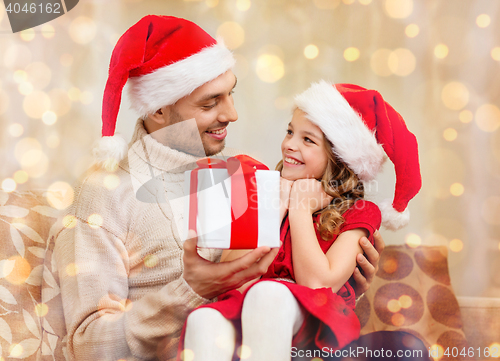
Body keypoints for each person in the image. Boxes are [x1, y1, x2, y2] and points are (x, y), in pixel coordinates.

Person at [51, 16, 383, 361]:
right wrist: (190, 290)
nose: (232, 114)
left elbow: (282, 287)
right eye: (210, 103)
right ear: (160, 108)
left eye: (231, 94)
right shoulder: (104, 194)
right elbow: (87, 348)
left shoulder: (246, 175)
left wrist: (339, 288)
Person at [180, 81, 422, 361]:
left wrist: (300, 208)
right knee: (204, 319)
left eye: (308, 140)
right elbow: (233, 278)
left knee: (269, 294)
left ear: (339, 158)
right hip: (249, 312)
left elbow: (318, 284)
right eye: (290, 132)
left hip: (312, 321)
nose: (289, 145)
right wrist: (277, 205)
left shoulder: (360, 211)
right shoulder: (261, 191)